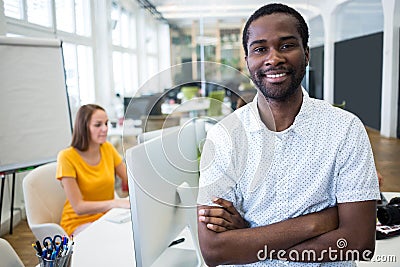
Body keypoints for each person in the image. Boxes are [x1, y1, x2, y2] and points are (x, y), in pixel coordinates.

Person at [197, 3, 380, 267]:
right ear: (247, 60)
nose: (273, 58)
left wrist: (248, 237)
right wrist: (318, 222)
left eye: (286, 46)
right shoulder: (224, 137)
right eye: (260, 49)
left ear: (306, 54)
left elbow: (359, 243)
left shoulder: (345, 129)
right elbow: (215, 251)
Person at [56, 104, 130, 236]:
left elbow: (129, 180)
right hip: (78, 223)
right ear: (84, 127)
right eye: (98, 125)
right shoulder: (66, 157)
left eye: (106, 123)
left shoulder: (107, 148)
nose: (105, 129)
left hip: (107, 218)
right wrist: (116, 203)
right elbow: (79, 207)